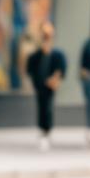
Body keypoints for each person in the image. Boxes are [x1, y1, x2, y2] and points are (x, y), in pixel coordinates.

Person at [27, 22, 66, 151]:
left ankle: (47, 131)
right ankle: (43, 130)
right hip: (40, 84)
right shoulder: (36, 54)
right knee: (42, 106)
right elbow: (30, 68)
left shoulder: (57, 54)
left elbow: (61, 68)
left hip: (50, 85)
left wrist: (56, 78)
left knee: (48, 106)